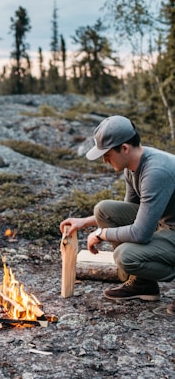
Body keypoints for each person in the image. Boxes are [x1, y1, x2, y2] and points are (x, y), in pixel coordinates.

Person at [60, 115, 175, 315]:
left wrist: (101, 234)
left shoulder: (156, 171)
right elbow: (130, 210)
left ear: (124, 148)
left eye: (107, 154)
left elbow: (140, 233)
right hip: (166, 225)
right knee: (104, 210)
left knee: (125, 256)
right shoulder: (132, 167)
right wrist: (85, 222)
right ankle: (143, 284)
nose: (104, 160)